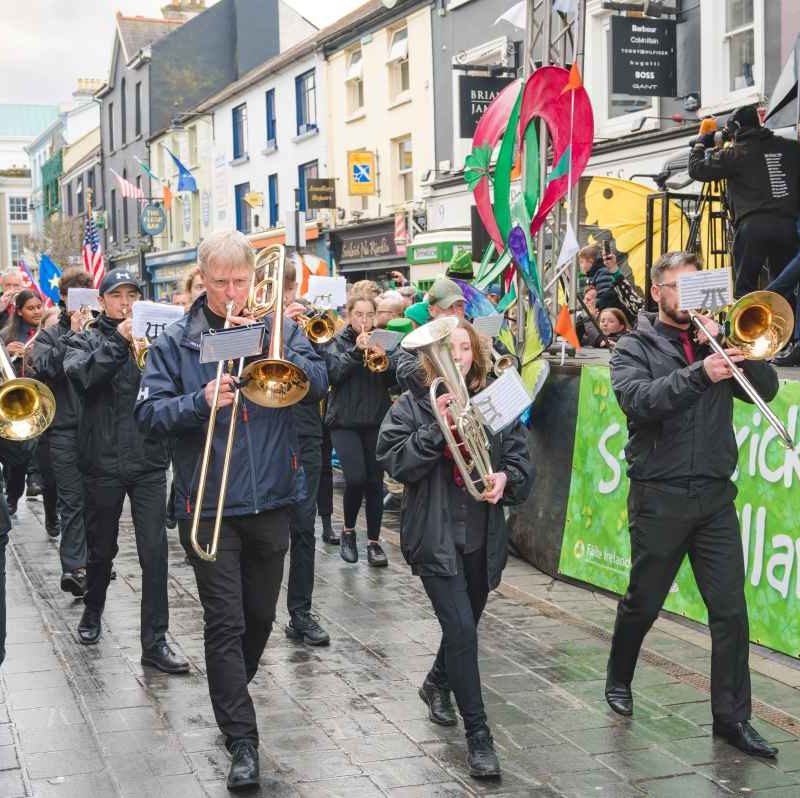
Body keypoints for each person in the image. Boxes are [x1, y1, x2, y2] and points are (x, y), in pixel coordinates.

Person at [134, 232, 327, 791]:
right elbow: (148, 416)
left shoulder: (277, 327)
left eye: (240, 281)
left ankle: (229, 692)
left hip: (271, 497)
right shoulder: (176, 341)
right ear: (200, 277)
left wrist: (284, 354)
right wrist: (198, 402)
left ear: (253, 277)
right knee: (225, 622)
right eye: (219, 283)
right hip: (209, 500)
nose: (231, 293)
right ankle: (243, 741)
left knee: (262, 619)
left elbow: (319, 382)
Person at [605, 251, 779, 759]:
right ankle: (619, 676)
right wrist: (702, 371)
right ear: (657, 292)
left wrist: (735, 349)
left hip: (714, 495)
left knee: (730, 612)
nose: (687, 297)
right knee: (644, 602)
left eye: (695, 286)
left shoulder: (719, 339)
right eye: (677, 288)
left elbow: (766, 391)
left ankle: (732, 720)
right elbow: (641, 401)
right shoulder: (632, 346)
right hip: (660, 494)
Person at [377, 318, 534, 780]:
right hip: (435, 537)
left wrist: (506, 480)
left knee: (462, 629)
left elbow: (523, 467)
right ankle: (479, 736)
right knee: (463, 632)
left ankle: (435, 683)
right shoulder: (411, 405)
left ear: (475, 353)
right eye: (449, 349)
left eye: (464, 348)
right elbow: (394, 461)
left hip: (483, 540)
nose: (458, 357)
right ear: (431, 359)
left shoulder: (496, 401)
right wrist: (437, 429)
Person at [64, 268, 188, 675]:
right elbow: (83, 377)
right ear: (103, 302)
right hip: (102, 461)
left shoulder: (157, 339)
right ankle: (93, 610)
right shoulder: (85, 339)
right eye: (117, 296)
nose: (126, 302)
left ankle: (154, 641)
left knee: (155, 554)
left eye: (132, 294)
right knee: (102, 549)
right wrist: (120, 341)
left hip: (149, 460)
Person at [688, 105, 800, 301]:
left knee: (745, 288)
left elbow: (697, 169)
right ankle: (784, 330)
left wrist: (700, 144)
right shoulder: (791, 147)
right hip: (787, 225)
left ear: (735, 129)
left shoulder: (735, 154)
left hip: (752, 226)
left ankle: (748, 325)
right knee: (785, 287)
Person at [29, 268, 94, 594]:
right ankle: (75, 568)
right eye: (75, 297)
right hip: (64, 430)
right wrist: (72, 334)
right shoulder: (49, 336)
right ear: (64, 298)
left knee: (98, 503)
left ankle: (96, 563)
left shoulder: (103, 332)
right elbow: (44, 369)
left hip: (99, 431)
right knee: (72, 502)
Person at [280, 255, 332, 647]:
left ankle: (300, 612)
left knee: (303, 527)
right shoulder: (244, 323)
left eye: (288, 290)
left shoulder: (304, 327)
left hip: (305, 436)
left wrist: (293, 339)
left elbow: (321, 380)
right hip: (261, 439)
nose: (286, 298)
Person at [324, 293, 397, 567]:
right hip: (344, 421)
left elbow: (395, 381)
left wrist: (386, 360)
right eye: (359, 315)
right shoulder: (336, 341)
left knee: (374, 483)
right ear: (349, 315)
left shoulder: (384, 340)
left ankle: (375, 542)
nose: (364, 320)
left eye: (369, 315)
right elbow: (333, 374)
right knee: (355, 479)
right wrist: (357, 352)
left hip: (375, 419)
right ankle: (348, 531)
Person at [1, 290, 44, 516]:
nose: (37, 311)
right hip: (17, 401)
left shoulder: (47, 332)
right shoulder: (7, 335)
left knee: (40, 447)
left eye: (39, 306)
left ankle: (38, 484)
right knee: (19, 453)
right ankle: (14, 494)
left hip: (41, 397)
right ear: (18, 311)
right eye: (30, 308)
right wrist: (7, 354)